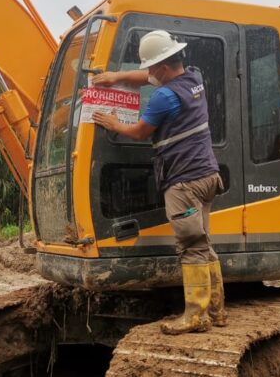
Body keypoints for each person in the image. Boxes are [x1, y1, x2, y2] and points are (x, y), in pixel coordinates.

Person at [92, 30, 226, 335]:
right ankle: (216, 311)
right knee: (204, 243)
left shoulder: (165, 97)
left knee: (191, 245)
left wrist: (114, 124)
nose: (149, 74)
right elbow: (145, 78)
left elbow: (140, 132)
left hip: (184, 183)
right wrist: (116, 77)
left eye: (152, 68)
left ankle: (196, 315)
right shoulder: (192, 79)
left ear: (162, 67)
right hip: (207, 176)